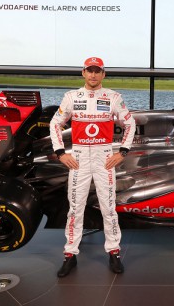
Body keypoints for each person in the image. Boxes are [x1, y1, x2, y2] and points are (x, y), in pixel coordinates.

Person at [50, 56, 136, 278]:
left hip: (104, 157)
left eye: (98, 71)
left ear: (103, 74)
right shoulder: (71, 97)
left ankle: (114, 252)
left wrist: (122, 152)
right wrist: (60, 152)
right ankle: (70, 254)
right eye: (90, 70)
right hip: (79, 157)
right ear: (83, 73)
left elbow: (130, 123)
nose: (93, 75)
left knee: (109, 207)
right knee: (75, 208)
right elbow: (55, 123)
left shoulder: (113, 97)